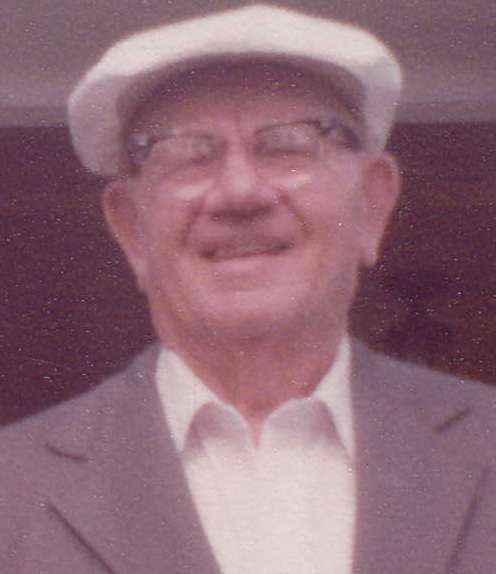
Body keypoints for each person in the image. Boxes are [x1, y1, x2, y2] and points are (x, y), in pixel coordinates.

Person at [1, 4, 495, 573]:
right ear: (131, 228)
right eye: (188, 153)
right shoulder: (12, 491)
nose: (240, 192)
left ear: (371, 205)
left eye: (286, 146)